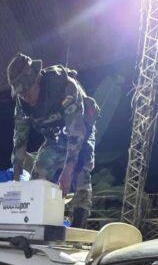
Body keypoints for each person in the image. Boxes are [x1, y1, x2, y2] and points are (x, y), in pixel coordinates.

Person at [6, 53, 100, 228]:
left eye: (27, 89)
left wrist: (68, 169)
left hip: (80, 133)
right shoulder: (22, 103)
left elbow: (76, 132)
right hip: (54, 137)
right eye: (21, 91)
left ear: (37, 79)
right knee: (38, 172)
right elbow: (20, 137)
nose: (24, 95)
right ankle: (35, 225)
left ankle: (78, 226)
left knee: (80, 174)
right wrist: (16, 175)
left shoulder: (64, 88)